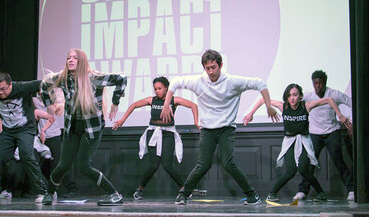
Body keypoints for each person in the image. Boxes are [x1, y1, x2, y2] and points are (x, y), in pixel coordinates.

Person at [160, 49, 278, 205]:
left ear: (221, 65)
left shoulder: (232, 81)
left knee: (228, 163)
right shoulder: (199, 81)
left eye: (213, 67)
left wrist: (268, 106)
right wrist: (166, 105)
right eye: (207, 68)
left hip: (226, 129)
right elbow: (175, 82)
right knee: (203, 165)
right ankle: (184, 194)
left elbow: (260, 83)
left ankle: (252, 195)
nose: (211, 71)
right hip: (207, 130)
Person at [40, 48, 127, 206]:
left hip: (91, 128)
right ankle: (49, 193)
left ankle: (114, 194)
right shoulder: (63, 78)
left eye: (75, 58)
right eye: (68, 58)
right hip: (72, 127)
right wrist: (49, 106)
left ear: (82, 61)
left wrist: (115, 102)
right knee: (63, 165)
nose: (70, 60)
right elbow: (44, 84)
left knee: (83, 166)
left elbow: (122, 78)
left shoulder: (93, 78)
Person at [243, 83, 350, 202]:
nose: (292, 98)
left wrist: (339, 115)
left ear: (300, 96)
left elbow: (329, 99)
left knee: (304, 169)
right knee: (291, 171)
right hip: (289, 141)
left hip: (304, 141)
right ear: (287, 97)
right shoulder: (284, 107)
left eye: (295, 95)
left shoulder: (306, 106)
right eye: (289, 95)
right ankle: (272, 194)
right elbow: (262, 99)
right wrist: (251, 113)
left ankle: (321, 194)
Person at [112, 76, 199, 200]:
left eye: (159, 88)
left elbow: (193, 105)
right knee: (153, 165)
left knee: (167, 165)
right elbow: (134, 105)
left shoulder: (174, 100)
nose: (157, 91)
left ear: (166, 88)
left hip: (168, 133)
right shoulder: (151, 100)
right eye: (155, 89)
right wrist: (122, 120)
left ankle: (184, 190)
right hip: (153, 133)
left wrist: (196, 122)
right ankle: (139, 190)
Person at [0, 71, 50, 203]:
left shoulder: (22, 87)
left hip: (26, 129)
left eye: (3, 89)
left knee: (26, 156)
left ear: (10, 85)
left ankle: (43, 192)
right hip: (8, 131)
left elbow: (44, 84)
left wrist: (49, 103)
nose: (1, 93)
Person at [293, 70, 354, 201]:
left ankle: (351, 189)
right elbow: (293, 102)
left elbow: (352, 103)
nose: (318, 86)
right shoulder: (308, 96)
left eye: (321, 83)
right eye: (316, 83)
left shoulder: (334, 94)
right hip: (315, 134)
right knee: (310, 163)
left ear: (325, 83)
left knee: (339, 161)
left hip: (332, 132)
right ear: (313, 84)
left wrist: (351, 123)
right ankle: (302, 191)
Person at [0, 108, 55, 199]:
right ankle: (8, 191)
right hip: (15, 145)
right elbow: (2, 127)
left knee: (32, 168)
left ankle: (48, 191)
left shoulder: (34, 111)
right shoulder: (8, 114)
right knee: (12, 169)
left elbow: (51, 118)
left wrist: (43, 130)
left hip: (32, 145)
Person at [32, 94, 79, 198]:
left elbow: (58, 110)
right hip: (41, 137)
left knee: (59, 163)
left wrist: (57, 106)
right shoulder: (34, 100)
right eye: (40, 89)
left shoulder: (54, 101)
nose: (41, 92)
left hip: (54, 136)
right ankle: (44, 190)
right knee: (36, 164)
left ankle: (72, 189)